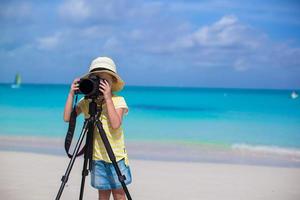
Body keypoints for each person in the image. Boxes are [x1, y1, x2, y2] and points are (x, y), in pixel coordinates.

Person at [63, 56, 132, 200]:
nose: (99, 85)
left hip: (116, 156)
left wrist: (107, 98)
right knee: (102, 195)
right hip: (97, 157)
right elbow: (68, 118)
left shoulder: (118, 101)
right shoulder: (86, 102)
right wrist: (71, 94)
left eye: (104, 81)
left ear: (111, 83)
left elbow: (115, 124)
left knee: (119, 195)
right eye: (96, 80)